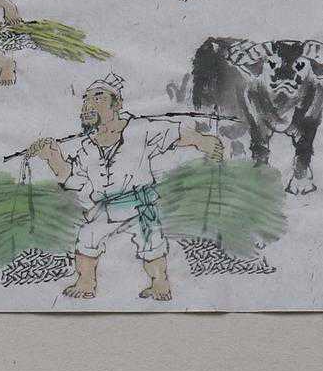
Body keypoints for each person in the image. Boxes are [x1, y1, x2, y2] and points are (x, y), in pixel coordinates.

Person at [24, 73, 223, 302]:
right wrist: (52, 156)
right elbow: (72, 179)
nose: (89, 105)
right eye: (86, 100)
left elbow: (176, 133)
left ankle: (160, 284)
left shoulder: (139, 129)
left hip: (140, 204)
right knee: (87, 237)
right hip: (106, 208)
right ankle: (86, 283)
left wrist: (203, 141)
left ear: (117, 103)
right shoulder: (87, 147)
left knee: (152, 243)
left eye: (98, 98)